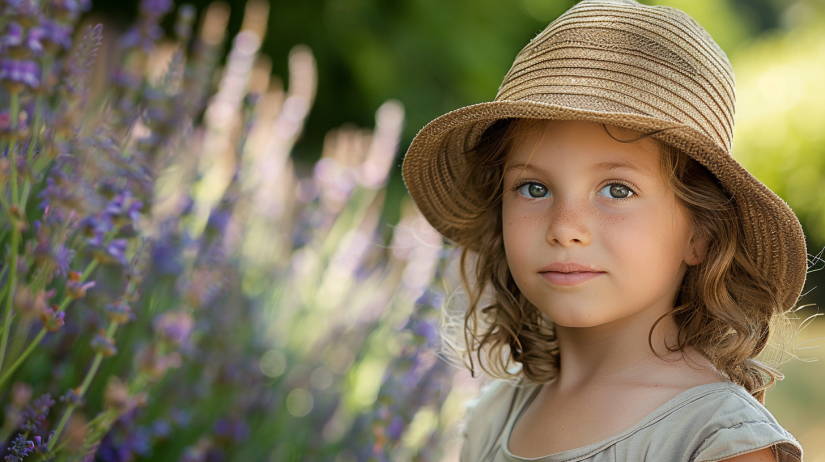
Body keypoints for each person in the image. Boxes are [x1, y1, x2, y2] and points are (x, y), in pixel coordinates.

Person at [400, 0, 810, 461]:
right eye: (533, 187)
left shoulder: (713, 439)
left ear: (702, 234)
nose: (565, 228)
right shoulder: (491, 418)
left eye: (617, 190)